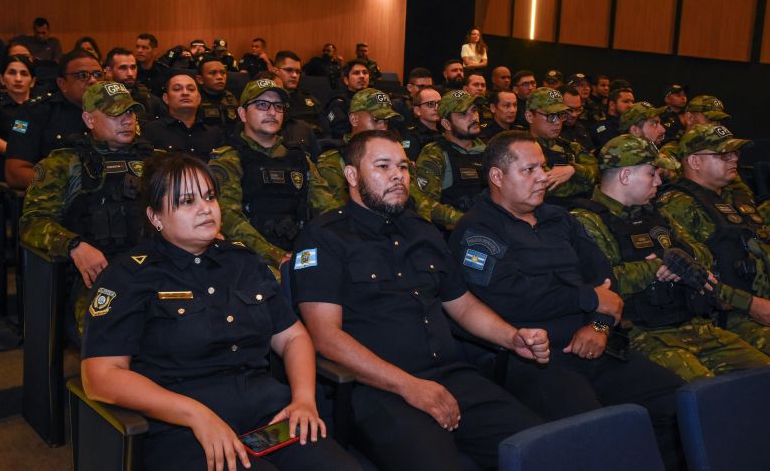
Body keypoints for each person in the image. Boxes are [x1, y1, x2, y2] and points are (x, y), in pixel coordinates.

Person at [80, 153, 360, 471]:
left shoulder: (244, 262)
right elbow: (100, 377)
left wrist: (304, 399)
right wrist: (194, 414)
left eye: (210, 197)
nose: (205, 208)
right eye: (187, 201)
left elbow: (293, 337)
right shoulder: (129, 277)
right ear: (155, 216)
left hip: (268, 416)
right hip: (186, 430)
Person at [293, 130, 549, 470]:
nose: (398, 175)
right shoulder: (324, 237)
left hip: (451, 376)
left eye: (403, 166)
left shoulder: (423, 231)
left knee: (538, 448)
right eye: (383, 166)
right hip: (379, 390)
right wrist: (408, 386)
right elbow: (326, 338)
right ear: (352, 175)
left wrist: (512, 337)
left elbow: (463, 305)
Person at [449, 131, 686, 471]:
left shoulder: (559, 218)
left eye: (543, 167)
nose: (543, 177)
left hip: (595, 343)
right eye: (529, 169)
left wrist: (600, 326)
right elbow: (514, 299)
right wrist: (589, 299)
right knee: (594, 433)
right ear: (497, 177)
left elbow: (607, 280)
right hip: (536, 359)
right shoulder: (478, 231)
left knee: (675, 401)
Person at [570, 134, 770, 381]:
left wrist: (679, 259)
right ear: (625, 176)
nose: (658, 181)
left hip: (693, 324)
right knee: (708, 393)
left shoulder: (657, 213)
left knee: (763, 374)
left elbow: (703, 255)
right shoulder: (587, 221)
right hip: (643, 334)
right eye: (651, 173)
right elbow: (605, 283)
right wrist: (656, 266)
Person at [19, 81, 156, 340]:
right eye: (115, 114)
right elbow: (32, 223)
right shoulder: (63, 164)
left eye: (130, 112)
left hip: (155, 265)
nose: (127, 120)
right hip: (97, 274)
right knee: (113, 338)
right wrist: (74, 245)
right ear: (89, 119)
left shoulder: (154, 161)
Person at [657, 124, 770, 355]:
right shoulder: (679, 204)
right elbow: (694, 273)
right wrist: (751, 305)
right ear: (695, 162)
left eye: (735, 153)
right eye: (723, 155)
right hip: (731, 315)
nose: (734, 159)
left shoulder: (732, 194)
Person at [210, 79, 336, 269]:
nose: (272, 112)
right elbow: (228, 218)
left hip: (301, 255)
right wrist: (274, 255)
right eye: (262, 104)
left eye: (278, 106)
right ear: (242, 114)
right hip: (248, 259)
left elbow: (327, 207)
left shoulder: (301, 159)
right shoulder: (228, 159)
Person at [5, 50, 103, 189]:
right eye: (82, 75)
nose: (93, 80)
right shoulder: (34, 112)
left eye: (98, 75)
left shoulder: (115, 111)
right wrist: (67, 184)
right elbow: (15, 173)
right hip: (59, 198)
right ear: (62, 83)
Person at [414, 90, 486, 230]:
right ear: (446, 124)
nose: (473, 118)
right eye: (463, 114)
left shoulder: (490, 150)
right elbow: (424, 203)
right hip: (455, 235)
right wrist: (466, 221)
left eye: (474, 110)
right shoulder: (435, 153)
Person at [317, 88, 402, 206]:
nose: (383, 127)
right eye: (376, 120)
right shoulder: (333, 161)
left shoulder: (396, 156)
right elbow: (335, 210)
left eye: (386, 121)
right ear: (354, 119)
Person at [526, 87, 598, 206]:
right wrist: (585, 182)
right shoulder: (522, 150)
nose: (557, 121)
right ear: (529, 116)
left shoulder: (571, 147)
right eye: (550, 116)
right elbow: (550, 188)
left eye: (561, 115)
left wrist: (573, 170)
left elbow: (598, 172)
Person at [141, 74, 223, 162]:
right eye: (177, 89)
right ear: (166, 98)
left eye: (191, 89)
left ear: (199, 98)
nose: (185, 93)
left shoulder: (214, 134)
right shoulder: (151, 131)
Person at [0, 56, 35, 181]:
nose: (18, 79)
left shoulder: (43, 107)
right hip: (10, 165)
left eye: (24, 74)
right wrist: (21, 154)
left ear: (32, 81)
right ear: (2, 79)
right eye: (11, 73)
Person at [274, 50, 323, 155]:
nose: (295, 75)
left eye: (298, 72)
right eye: (289, 70)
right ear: (276, 71)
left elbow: (325, 130)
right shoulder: (270, 101)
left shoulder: (310, 99)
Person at [103, 47, 164, 124]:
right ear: (109, 70)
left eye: (133, 67)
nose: (130, 74)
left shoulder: (148, 99)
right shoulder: (101, 99)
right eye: (123, 68)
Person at [195, 55, 241, 139]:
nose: (220, 77)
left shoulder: (233, 98)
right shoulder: (194, 100)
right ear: (200, 79)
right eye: (212, 73)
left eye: (223, 73)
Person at [322, 59, 369, 139]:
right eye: (356, 73)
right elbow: (340, 134)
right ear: (346, 80)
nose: (362, 76)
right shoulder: (339, 102)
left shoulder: (374, 98)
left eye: (365, 72)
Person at [400, 86, 441, 161]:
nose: (436, 108)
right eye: (430, 104)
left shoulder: (446, 131)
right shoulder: (411, 135)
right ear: (417, 110)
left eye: (440, 103)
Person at [558, 85, 595, 153]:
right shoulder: (552, 131)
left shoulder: (581, 128)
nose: (574, 115)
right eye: (569, 110)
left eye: (578, 109)